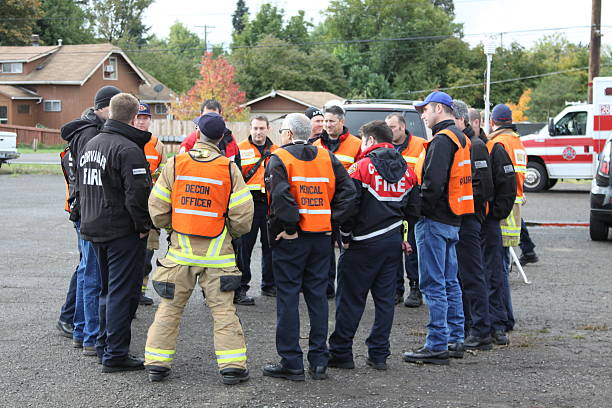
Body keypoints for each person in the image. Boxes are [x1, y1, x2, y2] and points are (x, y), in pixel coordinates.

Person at [144, 112, 254, 385]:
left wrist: (174, 228)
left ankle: (157, 363)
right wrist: (228, 232)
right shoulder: (229, 169)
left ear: (197, 133)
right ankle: (232, 367)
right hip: (218, 258)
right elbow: (242, 217)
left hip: (179, 255)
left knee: (169, 309)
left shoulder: (176, 164)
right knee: (224, 312)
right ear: (221, 138)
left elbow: (156, 209)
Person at [262, 113, 356, 381]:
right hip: (321, 238)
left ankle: (291, 362)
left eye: (282, 131)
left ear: (289, 134)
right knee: (317, 298)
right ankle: (319, 361)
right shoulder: (326, 156)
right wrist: (330, 219)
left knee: (288, 298)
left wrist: (291, 228)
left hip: (293, 240)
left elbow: (280, 196)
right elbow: (349, 193)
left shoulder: (280, 157)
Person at [329, 120, 419, 371]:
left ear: (370, 140)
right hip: (392, 245)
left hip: (361, 244)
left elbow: (348, 206)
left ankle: (341, 353)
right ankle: (379, 354)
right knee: (385, 302)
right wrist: (404, 237)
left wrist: (345, 235)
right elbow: (414, 210)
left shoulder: (361, 168)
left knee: (350, 300)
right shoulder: (407, 170)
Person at [78, 92, 152, 373]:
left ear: (110, 113)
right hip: (121, 231)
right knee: (121, 293)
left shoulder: (92, 144)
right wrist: (144, 226)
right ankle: (115, 353)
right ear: (134, 118)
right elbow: (137, 195)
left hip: (95, 227)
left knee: (106, 290)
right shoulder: (128, 149)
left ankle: (102, 345)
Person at [403, 91, 474, 366]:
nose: (422, 115)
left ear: (438, 109)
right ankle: (455, 339)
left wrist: (415, 213)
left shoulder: (442, 141)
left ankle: (436, 344)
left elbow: (432, 185)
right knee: (449, 281)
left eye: (424, 110)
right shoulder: (461, 138)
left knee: (433, 283)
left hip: (434, 220)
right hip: (453, 218)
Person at [56, 86, 120, 343]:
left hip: (82, 210)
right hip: (87, 212)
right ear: (104, 107)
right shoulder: (91, 134)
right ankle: (86, 332)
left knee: (86, 269)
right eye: (114, 107)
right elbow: (88, 179)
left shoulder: (86, 131)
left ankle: (77, 324)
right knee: (91, 272)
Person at [452, 100, 494, 353]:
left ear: (461, 120)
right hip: (460, 219)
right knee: (461, 276)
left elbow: (484, 188)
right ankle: (469, 326)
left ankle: (480, 331)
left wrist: (462, 207)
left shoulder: (475, 146)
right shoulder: (460, 145)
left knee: (472, 275)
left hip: (469, 220)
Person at [487, 103, 527, 337]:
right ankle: (507, 317)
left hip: (504, 209)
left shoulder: (498, 143)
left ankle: (503, 318)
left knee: (498, 267)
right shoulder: (517, 141)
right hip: (516, 206)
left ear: (493, 121)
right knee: (502, 265)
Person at [313, 105, 361, 298]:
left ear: (342, 122)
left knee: (348, 248)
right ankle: (327, 287)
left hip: (347, 204)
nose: (327, 124)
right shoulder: (316, 145)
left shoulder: (356, 144)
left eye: (331, 121)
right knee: (325, 249)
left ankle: (348, 287)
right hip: (322, 203)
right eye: (325, 121)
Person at [385, 113, 427, 307]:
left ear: (402, 127)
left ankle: (415, 288)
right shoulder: (384, 147)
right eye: (387, 127)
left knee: (411, 250)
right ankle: (396, 290)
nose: (389, 131)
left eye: (392, 127)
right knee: (392, 250)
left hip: (410, 206)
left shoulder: (420, 145)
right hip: (390, 206)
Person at [236, 115, 278, 303]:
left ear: (268, 129)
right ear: (250, 129)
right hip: (249, 204)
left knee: (270, 246)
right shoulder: (240, 148)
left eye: (262, 128)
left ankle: (269, 285)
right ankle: (242, 286)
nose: (258, 132)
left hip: (269, 204)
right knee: (245, 247)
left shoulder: (277, 150)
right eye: (255, 128)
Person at [133, 103, 166, 306]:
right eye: (138, 117)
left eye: (145, 118)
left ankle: (140, 291)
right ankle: (128, 291)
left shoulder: (157, 145)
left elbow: (163, 177)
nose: (141, 121)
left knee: (146, 256)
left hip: (150, 208)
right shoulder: (124, 140)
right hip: (130, 208)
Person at [178, 99, 241, 168]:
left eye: (214, 116)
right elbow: (181, 168)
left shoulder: (229, 140)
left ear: (220, 115)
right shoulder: (189, 141)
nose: (210, 120)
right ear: (201, 115)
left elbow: (237, 167)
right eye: (207, 116)